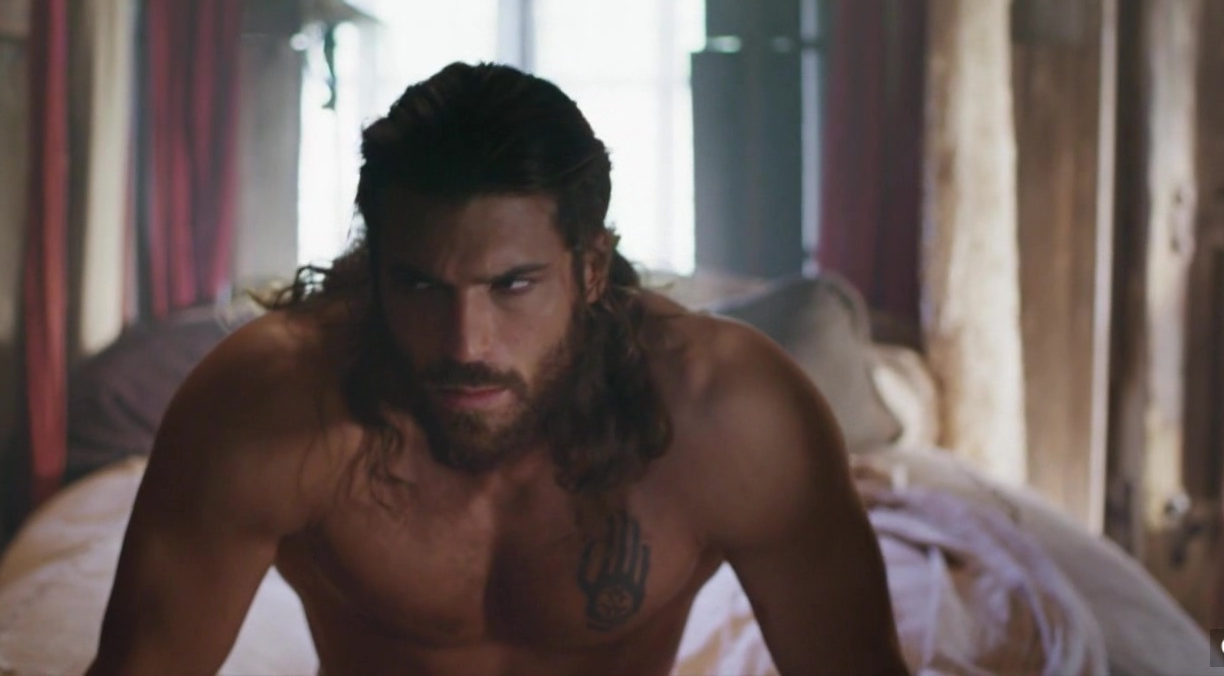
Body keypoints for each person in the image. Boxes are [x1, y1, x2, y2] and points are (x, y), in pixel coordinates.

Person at [87, 63, 909, 676]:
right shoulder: (267, 406)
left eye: (512, 286)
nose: (464, 343)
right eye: (420, 285)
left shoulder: (728, 412)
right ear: (374, 271)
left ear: (591, 269)